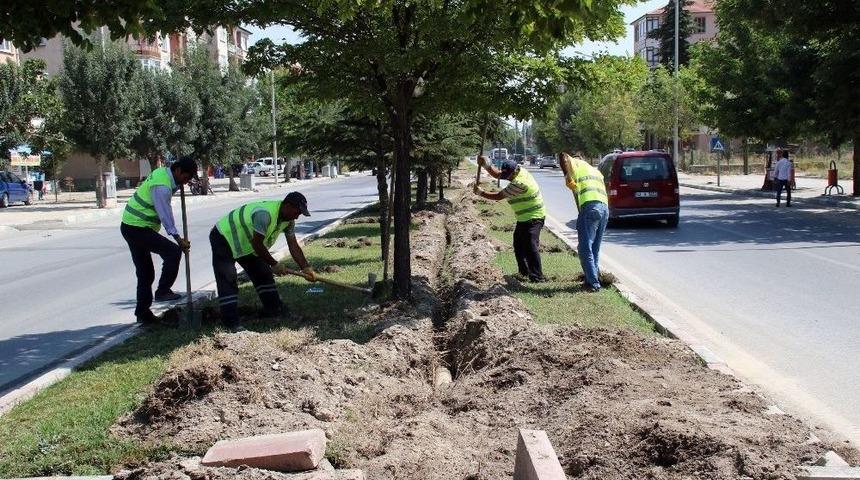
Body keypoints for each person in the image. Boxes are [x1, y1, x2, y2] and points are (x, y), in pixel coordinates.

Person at [210, 192, 316, 330]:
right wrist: (274, 264)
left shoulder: (288, 221)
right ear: (287, 206)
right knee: (228, 278)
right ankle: (231, 323)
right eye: (297, 212)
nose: (297, 216)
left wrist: (305, 267)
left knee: (263, 273)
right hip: (224, 237)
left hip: (247, 245)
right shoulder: (264, 215)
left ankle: (274, 310)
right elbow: (258, 245)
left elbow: (293, 245)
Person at [120, 157, 197, 324]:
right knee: (173, 252)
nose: (186, 181)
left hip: (131, 225)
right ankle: (162, 291)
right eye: (186, 177)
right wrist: (178, 239)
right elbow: (165, 215)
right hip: (137, 228)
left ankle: (143, 314)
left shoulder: (162, 173)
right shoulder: (162, 187)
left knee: (146, 273)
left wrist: (178, 186)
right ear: (177, 170)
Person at [474, 157, 546, 282]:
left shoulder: (520, 183)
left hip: (534, 216)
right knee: (518, 245)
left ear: (514, 172)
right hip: (524, 218)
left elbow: (498, 196)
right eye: (505, 174)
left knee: (530, 245)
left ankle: (537, 277)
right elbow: (498, 174)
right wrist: (486, 164)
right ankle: (523, 273)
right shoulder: (518, 171)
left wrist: (481, 193)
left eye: (508, 175)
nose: (506, 178)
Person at [559, 152, 609, 293]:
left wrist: (566, 175)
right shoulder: (594, 170)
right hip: (604, 209)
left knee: (584, 248)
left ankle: (593, 283)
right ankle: (592, 278)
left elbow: (564, 158)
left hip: (590, 209)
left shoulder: (575, 165)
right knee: (595, 248)